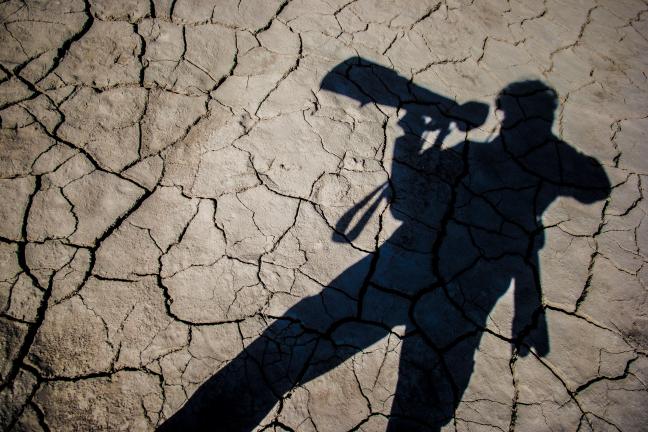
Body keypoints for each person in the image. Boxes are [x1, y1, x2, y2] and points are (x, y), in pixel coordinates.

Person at [158, 59, 610, 431]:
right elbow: (408, 205)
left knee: (300, 350)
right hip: (438, 282)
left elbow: (595, 186)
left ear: (511, 116)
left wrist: (418, 134)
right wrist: (415, 134)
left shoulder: (506, 162)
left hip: (416, 276)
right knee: (403, 395)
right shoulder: (484, 159)